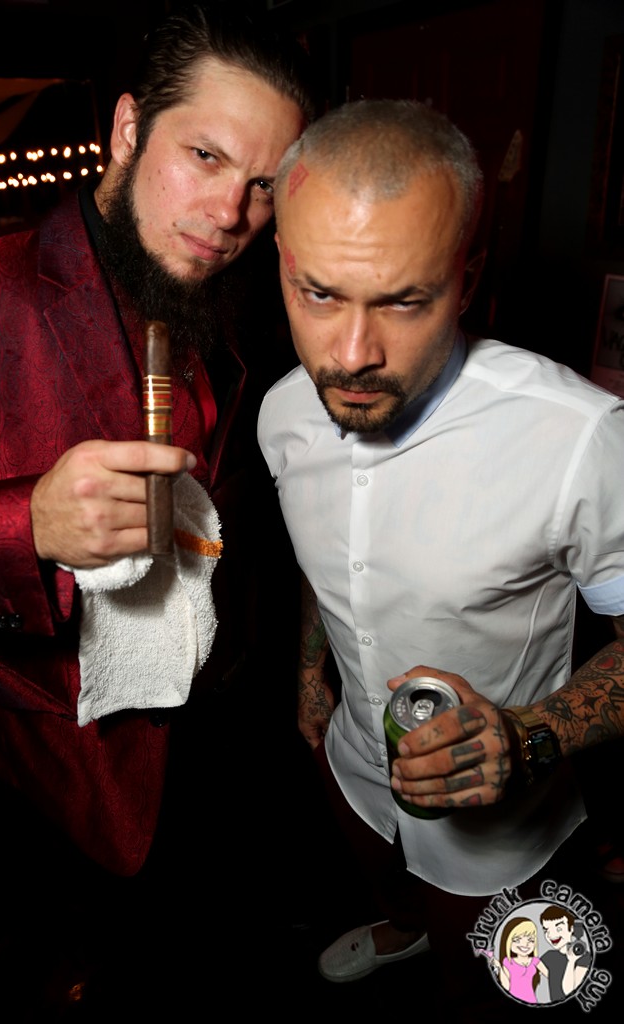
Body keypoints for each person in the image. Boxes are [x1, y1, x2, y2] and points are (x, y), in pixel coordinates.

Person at [0, 3, 313, 1012]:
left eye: (263, 186)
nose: (229, 213)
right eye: (204, 156)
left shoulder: (234, 306)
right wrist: (24, 524)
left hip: (216, 760)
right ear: (126, 129)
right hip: (44, 792)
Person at [258, 98, 624, 1018]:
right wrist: (309, 674)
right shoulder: (281, 411)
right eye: (319, 294)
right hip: (352, 762)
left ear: (467, 279)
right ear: (282, 264)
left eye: (403, 300)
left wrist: (527, 738)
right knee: (386, 883)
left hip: (508, 827)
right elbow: (320, 552)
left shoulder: (580, 439)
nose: (351, 355)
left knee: (525, 997)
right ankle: (402, 927)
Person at [539, 906, 592, 1002]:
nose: (551, 935)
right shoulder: (549, 956)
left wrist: (571, 961)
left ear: (571, 929)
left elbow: (569, 992)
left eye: (558, 929)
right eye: (546, 930)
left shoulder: (584, 957)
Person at [492, 917, 548, 1004]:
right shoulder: (507, 962)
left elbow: (551, 976)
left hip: (532, 1001)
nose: (525, 944)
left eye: (531, 940)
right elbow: (506, 987)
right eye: (517, 940)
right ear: (508, 941)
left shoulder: (535, 961)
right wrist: (499, 967)